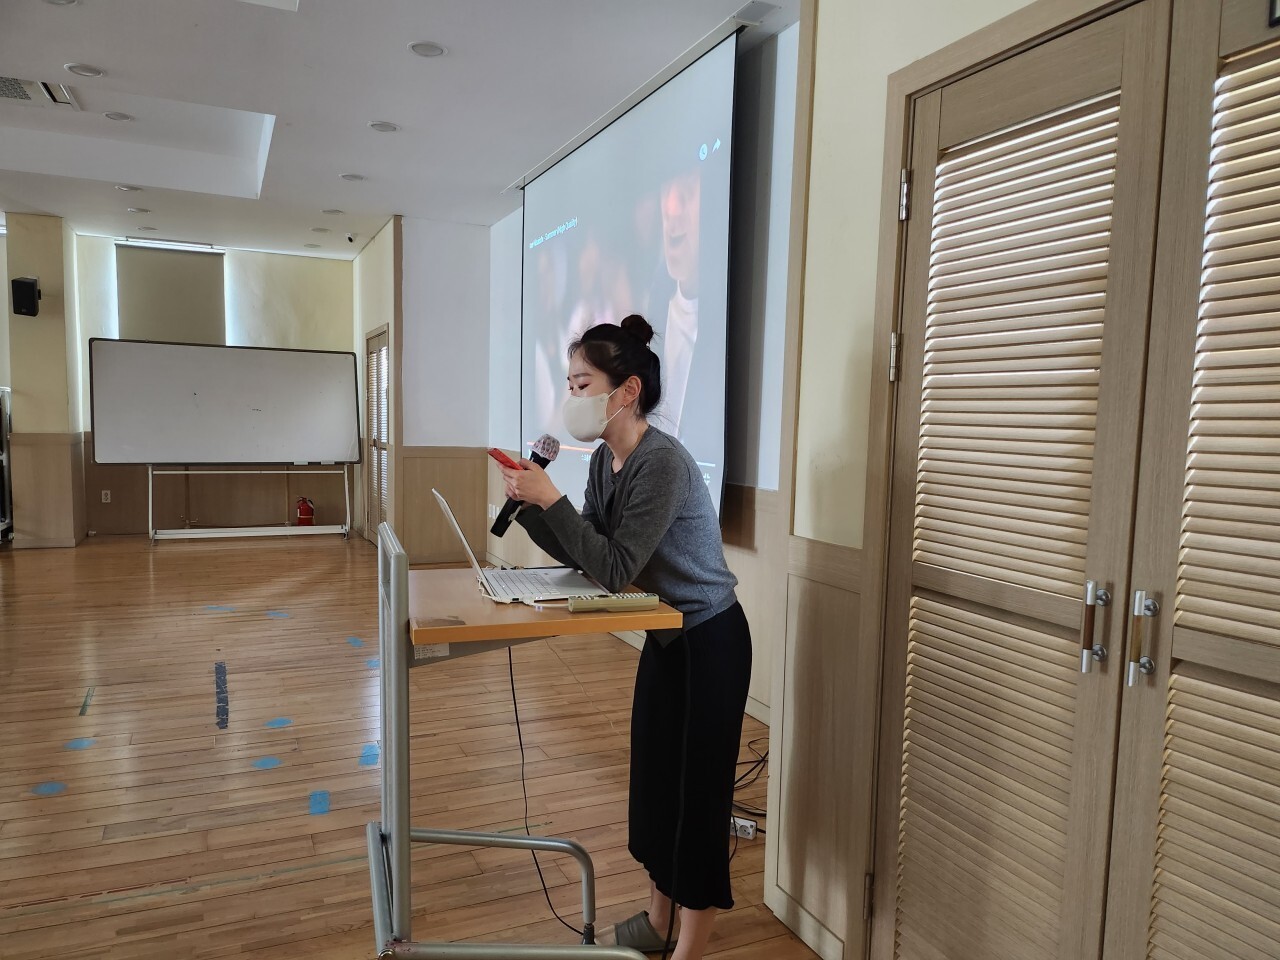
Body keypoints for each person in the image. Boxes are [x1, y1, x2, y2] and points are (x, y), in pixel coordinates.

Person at [500, 315, 751, 960]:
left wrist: (549, 500)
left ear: (627, 390)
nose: (572, 396)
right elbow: (589, 554)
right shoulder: (604, 462)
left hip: (709, 640)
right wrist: (532, 506)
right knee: (656, 787)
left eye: (582, 384)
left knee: (698, 798)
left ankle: (689, 944)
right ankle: (658, 919)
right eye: (570, 384)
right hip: (665, 635)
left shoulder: (660, 462)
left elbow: (616, 569)